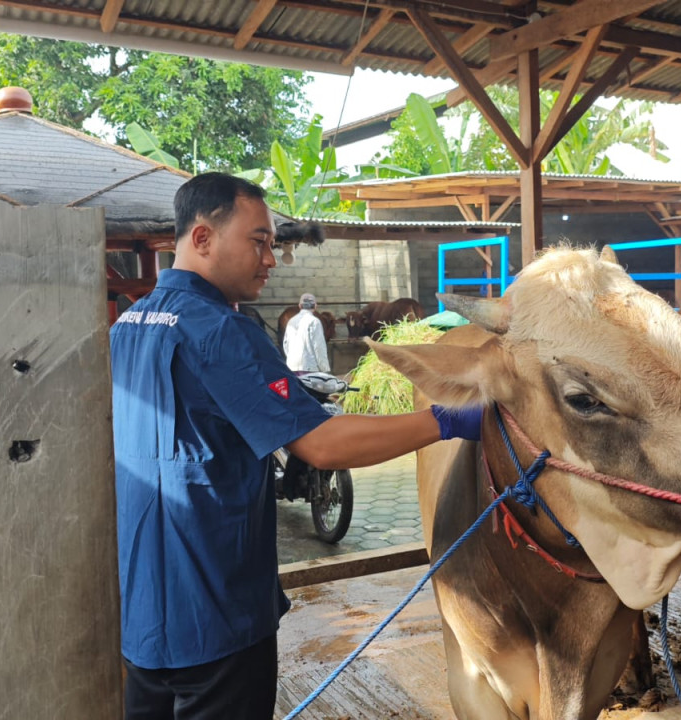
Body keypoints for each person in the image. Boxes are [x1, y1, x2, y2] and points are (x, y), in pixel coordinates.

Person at [109, 172, 482, 720]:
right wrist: (445, 420)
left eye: (273, 244)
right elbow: (324, 445)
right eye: (258, 241)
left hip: (143, 618)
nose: (271, 259)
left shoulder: (129, 324)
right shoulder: (220, 331)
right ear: (203, 238)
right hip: (217, 614)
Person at [282, 292, 330, 372]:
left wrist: (292, 360)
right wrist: (325, 369)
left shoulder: (291, 321)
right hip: (309, 368)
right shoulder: (314, 322)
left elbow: (286, 345)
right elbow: (319, 347)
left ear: (300, 306)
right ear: (315, 306)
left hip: (291, 368)